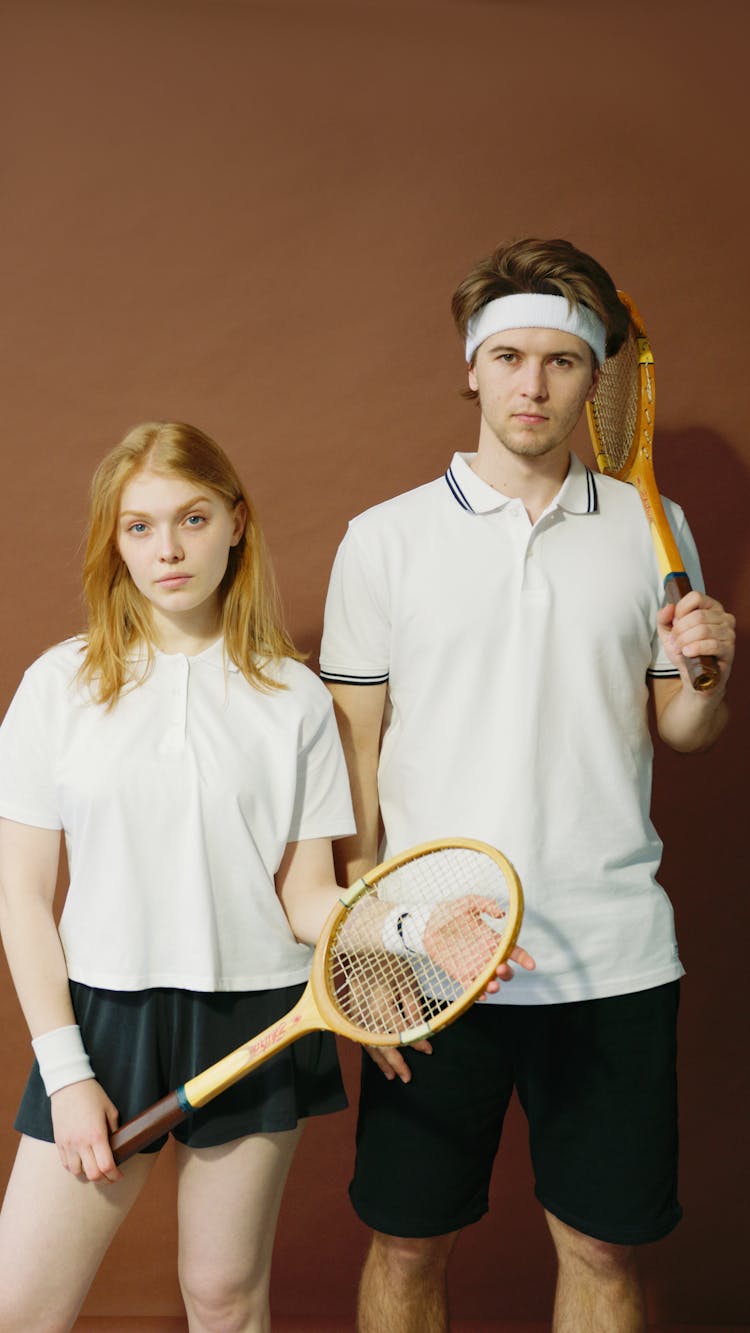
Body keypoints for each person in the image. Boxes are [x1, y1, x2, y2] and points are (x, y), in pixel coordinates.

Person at [320, 238, 736, 1333]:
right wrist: (362, 948)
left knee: (603, 1246)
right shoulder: (384, 541)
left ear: (596, 379)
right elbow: (351, 755)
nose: (532, 384)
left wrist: (710, 674)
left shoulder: (658, 531)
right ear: (471, 366)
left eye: (559, 361)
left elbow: (685, 732)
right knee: (407, 1243)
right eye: (508, 356)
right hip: (428, 951)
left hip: (612, 952)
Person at [0, 420, 365, 1333]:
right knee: (20, 1308)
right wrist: (68, 1070)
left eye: (193, 518)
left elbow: (306, 896)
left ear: (236, 522)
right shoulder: (59, 686)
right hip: (100, 1021)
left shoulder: (296, 697)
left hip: (255, 1016)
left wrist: (404, 935)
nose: (167, 548)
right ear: (113, 541)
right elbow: (19, 898)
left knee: (225, 1297)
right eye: (139, 526)